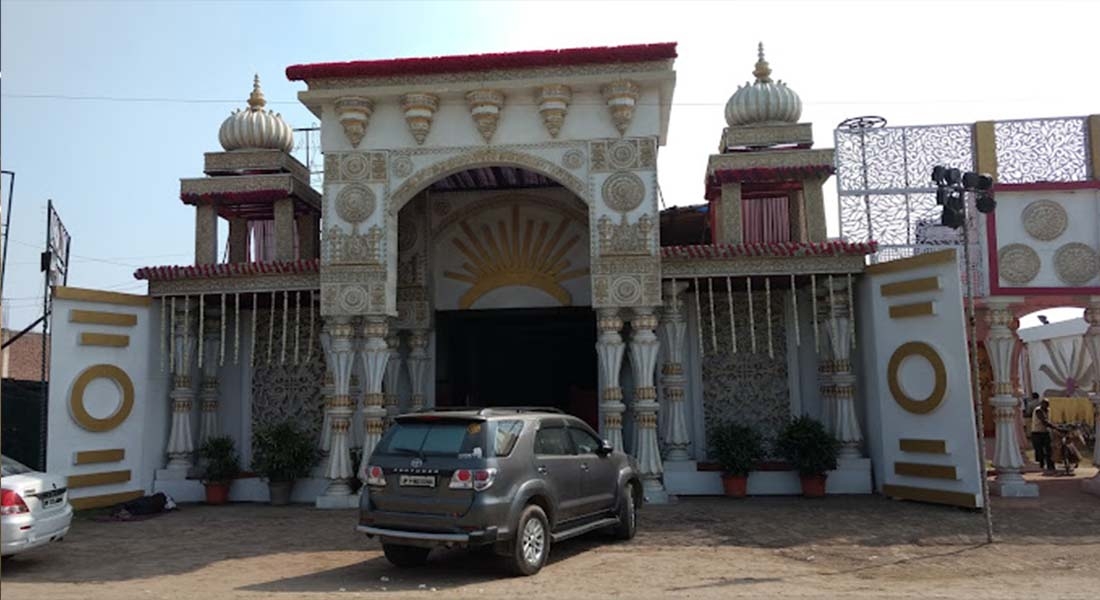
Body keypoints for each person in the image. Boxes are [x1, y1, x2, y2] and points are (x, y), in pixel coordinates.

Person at [1030, 397, 1055, 473]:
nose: (1046, 406)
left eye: (1047, 404)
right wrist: (1055, 427)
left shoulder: (1048, 410)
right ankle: (1040, 466)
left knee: (1049, 449)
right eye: (1045, 404)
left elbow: (1048, 421)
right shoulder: (1038, 410)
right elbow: (1044, 421)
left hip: (1045, 432)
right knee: (1039, 450)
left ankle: (1050, 465)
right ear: (1041, 404)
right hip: (1037, 433)